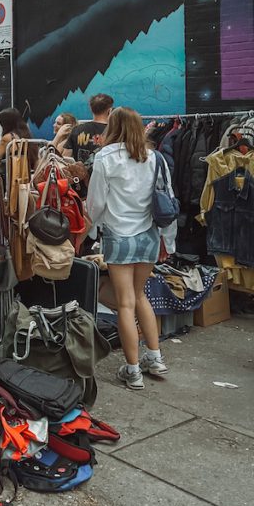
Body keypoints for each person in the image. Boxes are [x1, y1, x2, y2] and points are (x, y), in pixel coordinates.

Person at [86, 107, 171, 391]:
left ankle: (132, 370)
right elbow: (166, 196)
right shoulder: (154, 157)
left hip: (119, 235)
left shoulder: (105, 157)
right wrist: (168, 241)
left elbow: (96, 202)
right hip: (149, 234)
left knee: (124, 303)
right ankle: (155, 358)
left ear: (113, 127)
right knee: (140, 296)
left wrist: (91, 228)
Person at [69, 93, 114, 163]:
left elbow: (66, 156)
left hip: (80, 172)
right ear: (110, 110)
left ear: (91, 108)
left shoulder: (76, 129)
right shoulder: (115, 131)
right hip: (106, 173)